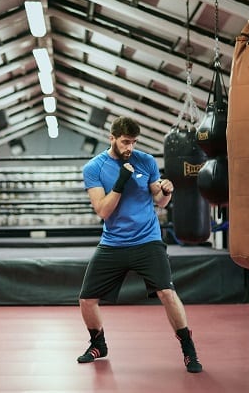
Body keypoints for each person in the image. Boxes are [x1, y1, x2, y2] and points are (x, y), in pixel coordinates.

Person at [77, 116, 203, 373]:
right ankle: (98, 343)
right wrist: (121, 181)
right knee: (87, 299)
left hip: (148, 240)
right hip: (113, 243)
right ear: (111, 138)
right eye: (125, 142)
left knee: (167, 293)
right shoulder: (94, 168)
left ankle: (188, 348)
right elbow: (103, 211)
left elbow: (159, 200)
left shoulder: (145, 161)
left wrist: (166, 191)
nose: (129, 148)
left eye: (133, 142)